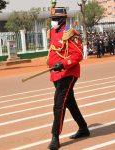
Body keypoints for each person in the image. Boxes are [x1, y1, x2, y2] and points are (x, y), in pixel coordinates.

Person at [47, 4, 90, 150]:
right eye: (52, 18)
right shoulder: (52, 32)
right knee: (69, 101)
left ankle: (55, 137)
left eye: (55, 18)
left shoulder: (70, 33)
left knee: (59, 104)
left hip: (68, 73)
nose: (52, 21)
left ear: (62, 19)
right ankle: (83, 128)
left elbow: (78, 55)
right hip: (56, 74)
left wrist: (63, 64)